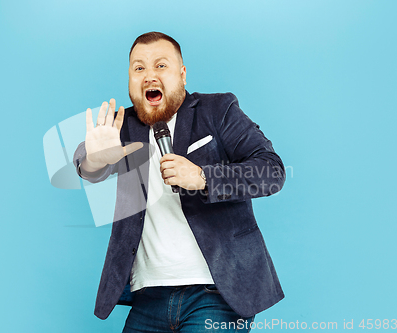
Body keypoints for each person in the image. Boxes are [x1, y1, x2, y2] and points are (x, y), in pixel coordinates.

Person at [73, 32, 286, 333]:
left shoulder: (217, 111)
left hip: (215, 294)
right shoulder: (124, 125)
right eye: (139, 68)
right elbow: (87, 164)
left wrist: (202, 177)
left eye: (161, 66)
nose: (149, 76)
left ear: (182, 75)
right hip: (148, 297)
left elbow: (272, 171)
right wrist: (95, 158)